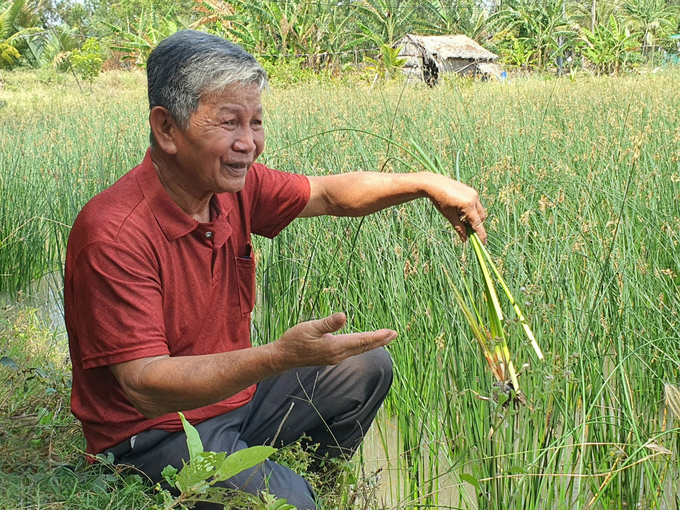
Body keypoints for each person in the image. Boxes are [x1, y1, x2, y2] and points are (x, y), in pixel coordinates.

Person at [64, 30, 487, 509]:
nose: (249, 143)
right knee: (291, 505)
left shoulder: (232, 188)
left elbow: (328, 194)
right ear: (166, 129)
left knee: (366, 367)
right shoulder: (114, 233)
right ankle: (287, 490)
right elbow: (144, 387)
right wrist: (278, 357)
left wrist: (423, 184)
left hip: (233, 399)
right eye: (229, 123)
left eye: (257, 122)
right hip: (153, 434)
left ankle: (306, 479)